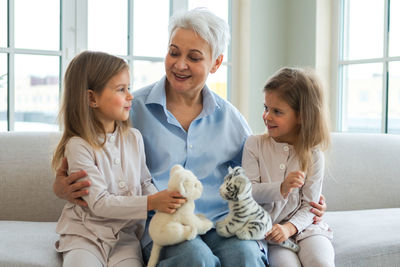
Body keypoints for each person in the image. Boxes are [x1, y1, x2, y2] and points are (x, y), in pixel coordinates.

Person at [53, 8, 326, 267]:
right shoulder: (130, 110)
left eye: (194, 58)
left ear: (216, 63)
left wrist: (302, 205)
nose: (180, 64)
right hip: (164, 223)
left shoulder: (231, 119)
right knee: (196, 260)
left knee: (245, 256)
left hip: (221, 222)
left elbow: (264, 169)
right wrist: (61, 187)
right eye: (174, 52)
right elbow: (88, 148)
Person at [51, 51, 185, 267]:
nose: (130, 96)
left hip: (125, 239)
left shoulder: (134, 138)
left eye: (128, 88)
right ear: (91, 98)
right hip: (85, 236)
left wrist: (163, 202)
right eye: (121, 90)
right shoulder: (78, 146)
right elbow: (100, 204)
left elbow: (144, 183)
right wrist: (152, 202)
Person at [242, 67, 335, 267]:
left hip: (307, 229)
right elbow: (248, 192)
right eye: (266, 108)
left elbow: (310, 207)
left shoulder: (314, 155)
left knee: (321, 262)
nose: (267, 116)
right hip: (272, 234)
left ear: (301, 116)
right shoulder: (254, 145)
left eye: (277, 111)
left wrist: (290, 228)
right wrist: (281, 188)